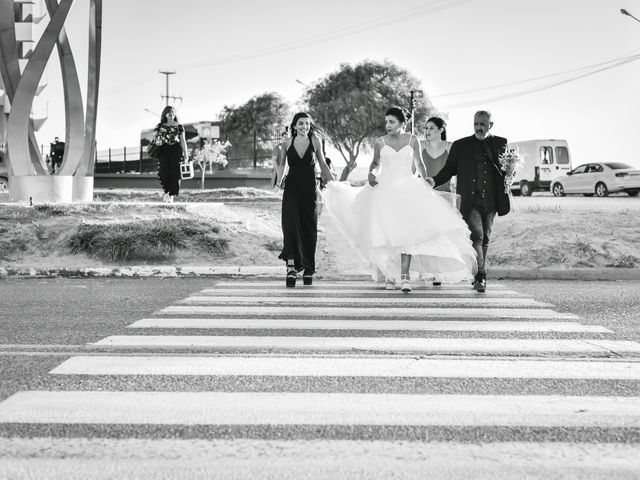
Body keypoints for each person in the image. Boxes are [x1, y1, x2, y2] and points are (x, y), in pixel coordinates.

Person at [323, 107, 476, 293]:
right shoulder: (380, 142)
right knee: (387, 235)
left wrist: (426, 182)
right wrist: (371, 174)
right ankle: (390, 274)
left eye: (392, 122)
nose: (388, 125)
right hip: (384, 190)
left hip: (407, 190)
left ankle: (404, 276)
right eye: (386, 121)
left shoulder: (412, 140)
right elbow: (375, 163)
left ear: (402, 123)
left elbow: (419, 163)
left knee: (407, 235)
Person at [426, 110, 510, 293]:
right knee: (477, 236)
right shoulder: (460, 145)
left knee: (485, 238)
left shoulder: (501, 144)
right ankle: (481, 275)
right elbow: (449, 170)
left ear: (491, 125)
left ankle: (477, 273)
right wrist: (434, 180)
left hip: (492, 200)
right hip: (471, 200)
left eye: (483, 124)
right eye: (476, 124)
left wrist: (511, 173)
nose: (479, 127)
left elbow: (507, 171)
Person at [276, 112, 335, 287]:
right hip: (292, 188)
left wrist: (333, 184)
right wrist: (279, 181)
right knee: (290, 225)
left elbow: (323, 165)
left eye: (307, 124)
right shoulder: (287, 142)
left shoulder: (315, 142)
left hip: (309, 189)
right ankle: (291, 268)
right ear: (294, 125)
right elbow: (281, 164)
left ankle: (309, 268)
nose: (304, 127)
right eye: (301, 124)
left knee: (309, 227)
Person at [423, 116, 454, 286]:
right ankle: (429, 270)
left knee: (442, 235)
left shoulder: (450, 147)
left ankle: (438, 272)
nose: (427, 131)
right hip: (425, 197)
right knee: (427, 235)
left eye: (431, 128)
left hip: (445, 196)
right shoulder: (420, 146)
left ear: (441, 130)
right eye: (426, 128)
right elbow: (413, 170)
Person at [153, 106, 188, 203]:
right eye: (169, 113)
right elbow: (155, 138)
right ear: (165, 114)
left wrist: (186, 155)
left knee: (175, 173)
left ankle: (171, 194)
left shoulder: (179, 126)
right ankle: (166, 191)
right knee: (162, 172)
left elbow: (183, 141)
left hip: (176, 150)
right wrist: (157, 139)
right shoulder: (160, 126)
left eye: (173, 112)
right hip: (164, 150)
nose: (171, 114)